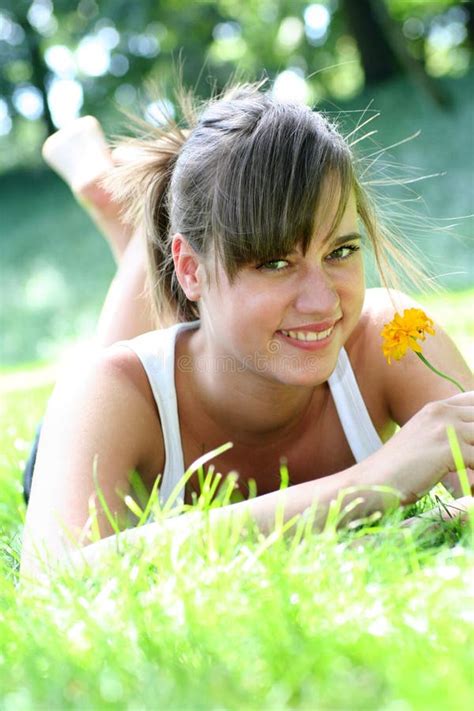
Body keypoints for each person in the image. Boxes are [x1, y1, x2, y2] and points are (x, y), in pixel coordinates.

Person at [20, 83, 474, 579]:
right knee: (137, 359)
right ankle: (126, 229)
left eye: (341, 251)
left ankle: (136, 222)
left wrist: (413, 528)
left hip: (217, 319)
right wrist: (368, 484)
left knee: (234, 322)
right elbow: (54, 577)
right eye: (276, 262)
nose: (323, 303)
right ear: (189, 269)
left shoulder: (393, 336)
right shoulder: (110, 390)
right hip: (131, 389)